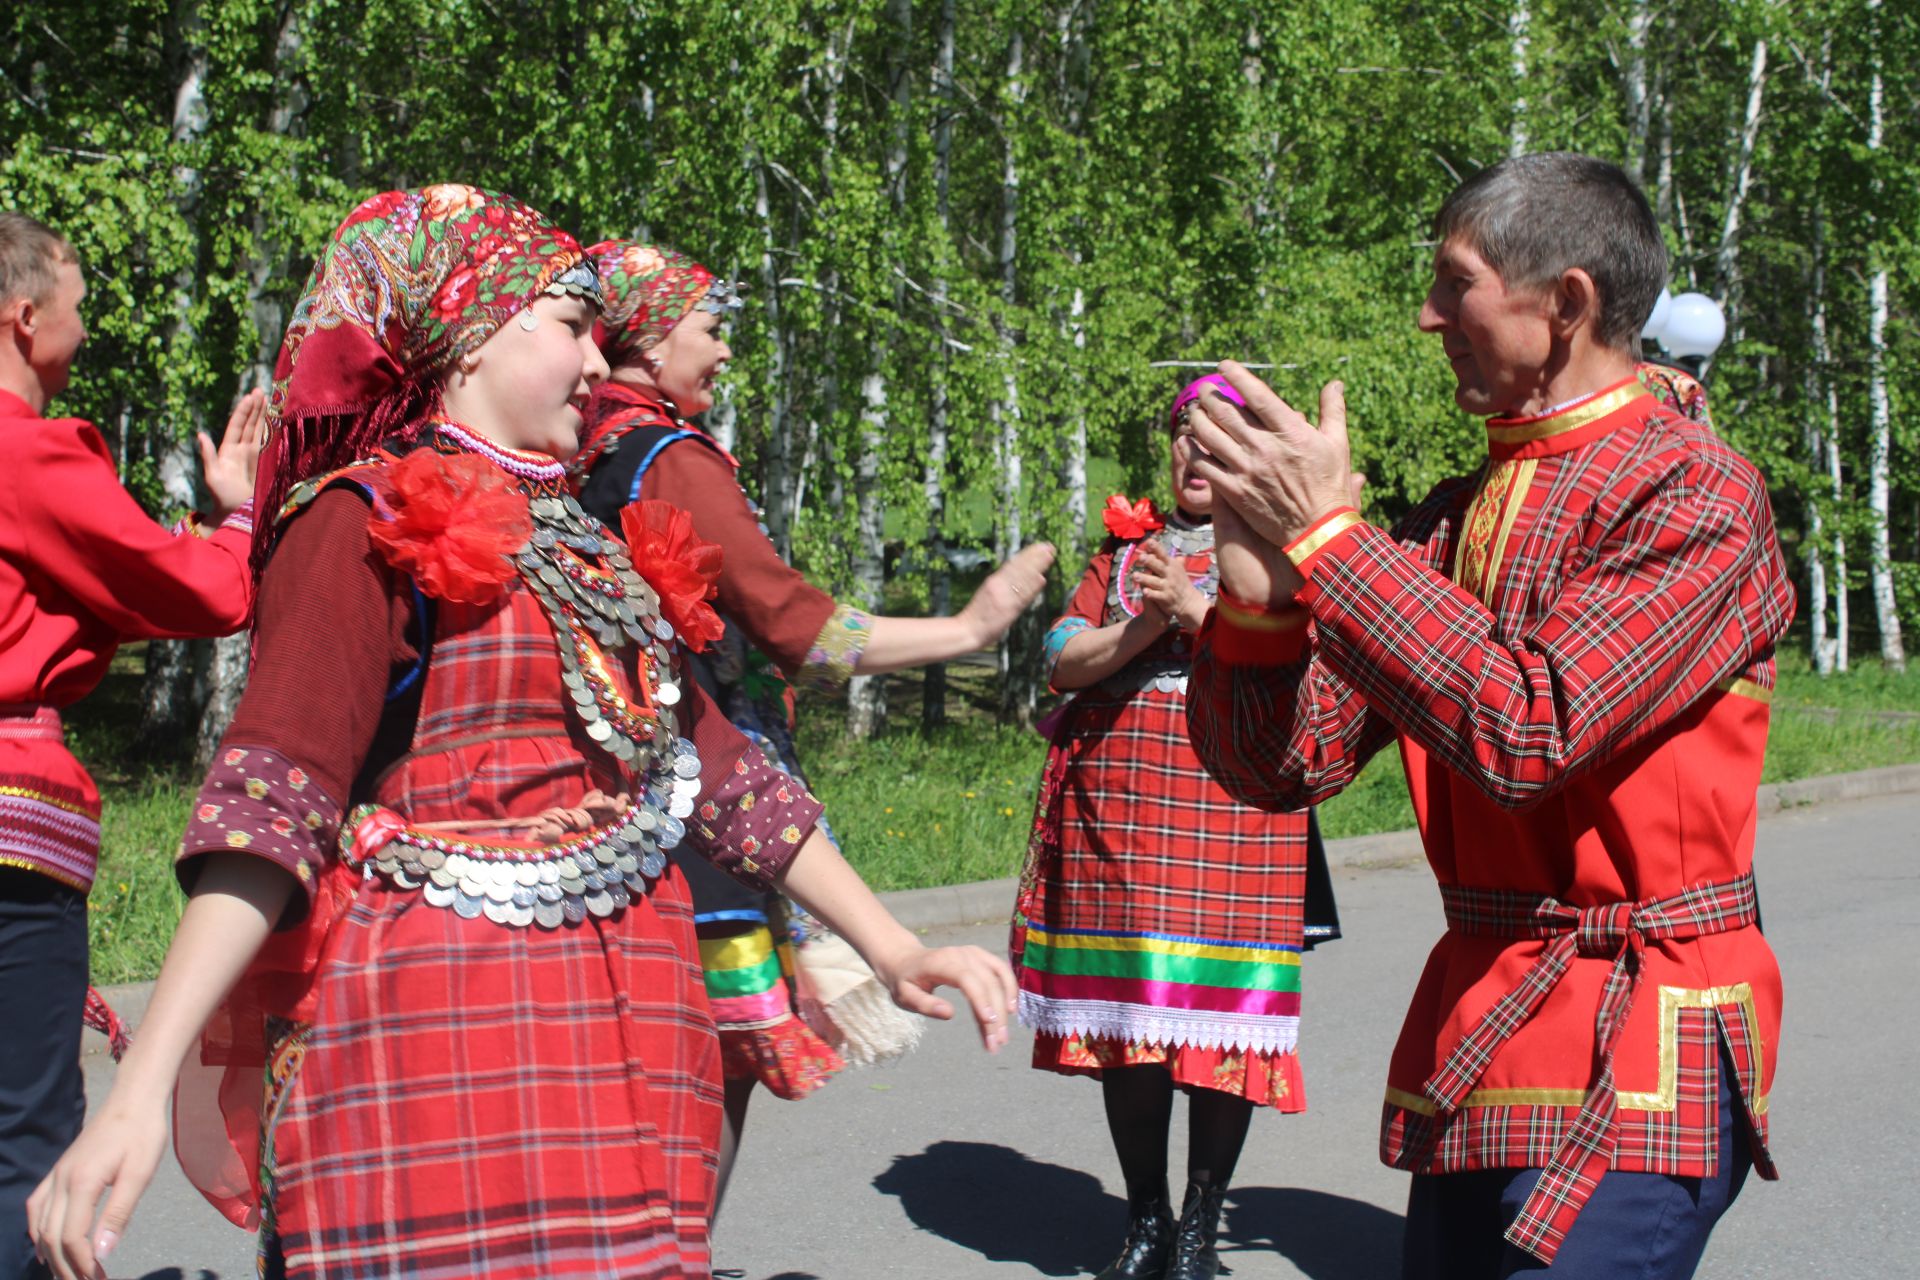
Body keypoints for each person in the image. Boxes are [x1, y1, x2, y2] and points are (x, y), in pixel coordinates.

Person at [27, 186, 1016, 1280]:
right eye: (571, 325)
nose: (599, 364)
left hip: (630, 1031)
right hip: (436, 1041)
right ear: (468, 330)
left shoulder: (594, 547)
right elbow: (274, 799)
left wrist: (892, 943)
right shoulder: (363, 520)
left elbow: (720, 771)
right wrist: (136, 1090)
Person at [1183, 152, 1790, 1278]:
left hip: (1641, 1030)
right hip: (1490, 1016)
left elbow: (1531, 725)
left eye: (1453, 282)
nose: (1425, 316)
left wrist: (1332, 540)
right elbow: (1281, 765)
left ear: (1566, 303)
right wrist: (1260, 607)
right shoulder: (1462, 515)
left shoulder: (1698, 490)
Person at [574, 240, 1053, 1206]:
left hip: (602, 789)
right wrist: (972, 625)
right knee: (706, 1077)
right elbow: (795, 622)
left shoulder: (579, 453)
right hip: (697, 796)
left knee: (621, 1084)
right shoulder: (667, 459)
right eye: (710, 332)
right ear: (653, 339)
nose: (721, 354)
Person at [1009, 375, 1332, 1280]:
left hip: (1237, 814)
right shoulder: (1125, 554)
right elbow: (1063, 663)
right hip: (1122, 821)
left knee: (1220, 1030)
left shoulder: (1289, 551)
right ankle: (1145, 1215)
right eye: (1185, 435)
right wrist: (1148, 622)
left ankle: (1200, 1224)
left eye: (1220, 434)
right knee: (1134, 1024)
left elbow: (1317, 672)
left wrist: (1202, 617)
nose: (1196, 453)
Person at [0, 210, 265, 1280]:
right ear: (25, 316)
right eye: (75, 298)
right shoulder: (25, 449)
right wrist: (240, 519)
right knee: (23, 1133)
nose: (86, 320)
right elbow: (203, 590)